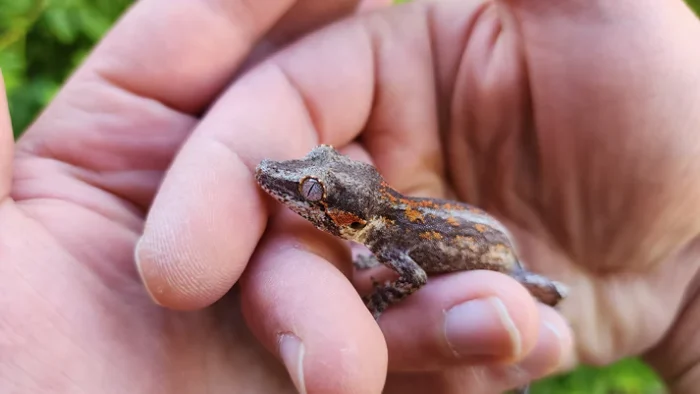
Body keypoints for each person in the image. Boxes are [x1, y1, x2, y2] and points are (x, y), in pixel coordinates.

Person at [2, 0, 699, 392]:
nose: (285, 186)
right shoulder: (381, 223)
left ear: (349, 213)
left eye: (309, 190)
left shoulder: (394, 240)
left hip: (504, 259)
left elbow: (418, 273)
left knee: (521, 289)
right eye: (310, 177)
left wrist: (375, 294)